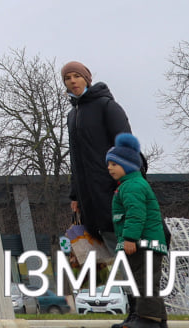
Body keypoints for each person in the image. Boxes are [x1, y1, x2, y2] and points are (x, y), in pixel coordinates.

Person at [63, 60, 133, 243]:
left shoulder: (106, 106)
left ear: (87, 79)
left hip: (113, 190)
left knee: (132, 254)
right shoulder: (72, 116)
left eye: (77, 76)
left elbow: (126, 148)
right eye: (67, 78)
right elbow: (75, 159)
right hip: (89, 198)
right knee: (110, 247)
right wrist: (75, 195)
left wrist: (126, 185)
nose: (72, 81)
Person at [106, 133, 168, 328]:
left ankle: (147, 320)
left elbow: (136, 214)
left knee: (145, 282)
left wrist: (130, 238)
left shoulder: (132, 186)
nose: (109, 168)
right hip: (144, 244)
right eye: (108, 164)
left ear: (128, 165)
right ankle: (158, 321)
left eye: (114, 164)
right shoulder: (128, 185)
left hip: (143, 244)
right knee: (145, 281)